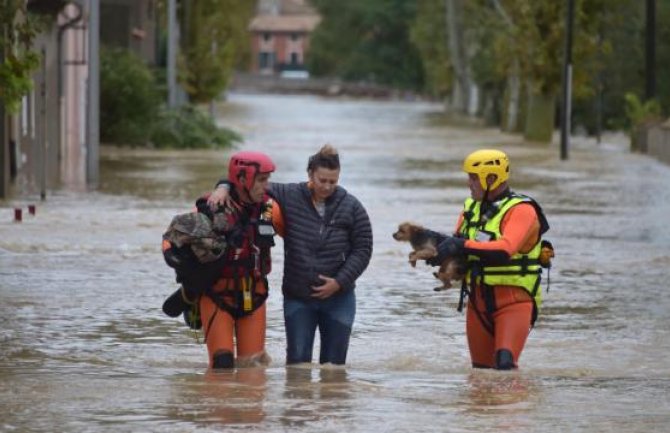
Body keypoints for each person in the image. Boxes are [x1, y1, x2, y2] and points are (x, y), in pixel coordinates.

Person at [208, 145, 373, 365]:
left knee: (333, 369)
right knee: (297, 368)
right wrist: (223, 187)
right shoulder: (289, 195)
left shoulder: (352, 207)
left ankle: (331, 402)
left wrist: (340, 282)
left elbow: (363, 249)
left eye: (333, 182)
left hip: (339, 299)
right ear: (310, 175)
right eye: (322, 180)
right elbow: (251, 184)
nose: (326, 186)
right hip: (298, 299)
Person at [427, 149, 552, 370]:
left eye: (474, 177)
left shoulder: (523, 210)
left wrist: (461, 244)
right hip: (478, 302)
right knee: (481, 374)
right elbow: (461, 243)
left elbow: (505, 249)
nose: (469, 183)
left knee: (504, 366)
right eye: (469, 177)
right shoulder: (471, 207)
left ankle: (517, 404)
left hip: (514, 301)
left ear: (492, 178)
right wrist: (440, 253)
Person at [162, 151, 278, 369]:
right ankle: (216, 402)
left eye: (267, 180)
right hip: (216, 296)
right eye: (261, 180)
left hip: (254, 296)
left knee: (253, 367)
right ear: (243, 179)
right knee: (222, 365)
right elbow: (171, 240)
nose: (266, 186)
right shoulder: (211, 207)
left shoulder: (269, 208)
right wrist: (181, 266)